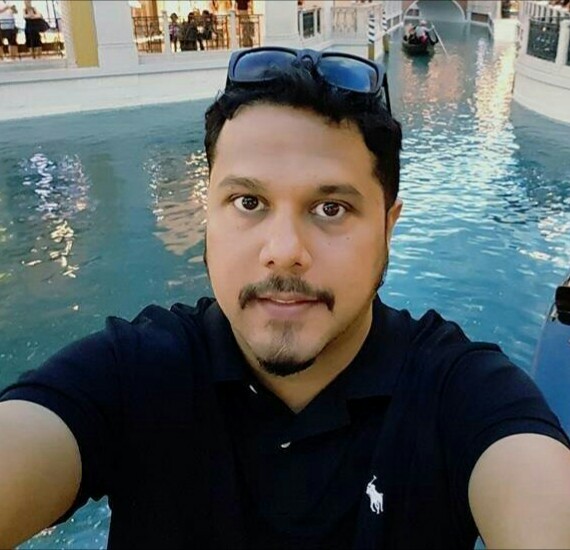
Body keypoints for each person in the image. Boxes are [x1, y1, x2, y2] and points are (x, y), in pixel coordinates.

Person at [2, 47, 570, 549]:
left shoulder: (459, 394)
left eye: (331, 208)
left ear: (388, 228)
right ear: (208, 216)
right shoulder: (131, 375)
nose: (283, 252)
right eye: (248, 203)